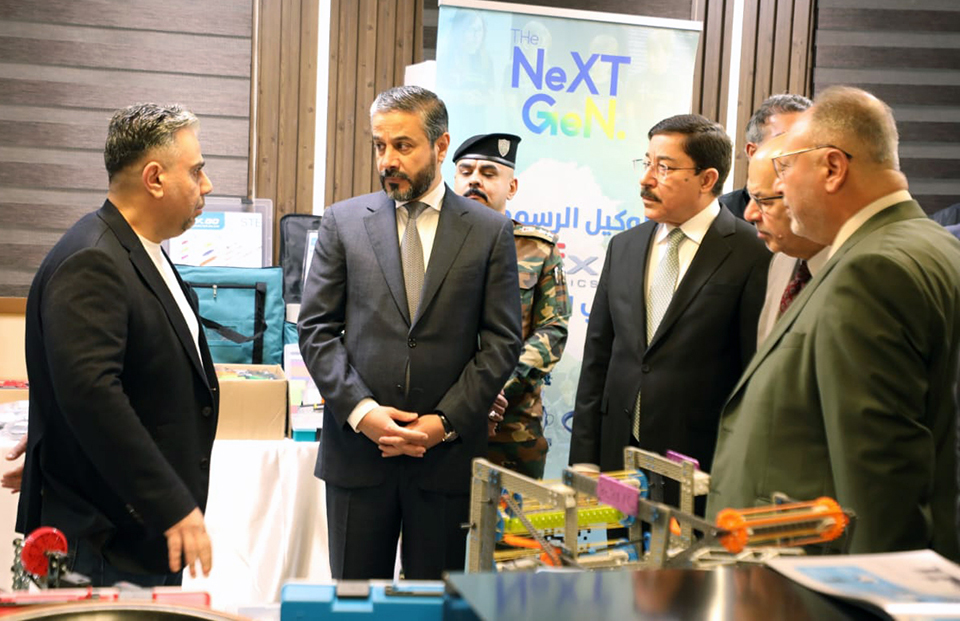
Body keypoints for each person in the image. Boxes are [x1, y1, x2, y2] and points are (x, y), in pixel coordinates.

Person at [707, 87, 960, 560]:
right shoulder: (934, 246)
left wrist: (872, 591)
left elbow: (881, 481)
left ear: (832, 168)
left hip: (821, 573)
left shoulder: (870, 270)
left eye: (785, 170)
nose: (780, 189)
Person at [298, 86, 522, 580]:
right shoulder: (343, 222)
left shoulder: (488, 231)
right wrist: (363, 412)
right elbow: (315, 330)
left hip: (445, 459)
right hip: (358, 454)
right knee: (355, 603)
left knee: (434, 604)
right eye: (380, 146)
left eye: (403, 145)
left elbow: (502, 342)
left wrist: (444, 422)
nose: (388, 160)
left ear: (441, 146)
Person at [18, 103, 218, 585]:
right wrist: (172, 504)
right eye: (196, 171)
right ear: (155, 179)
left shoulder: (140, 250)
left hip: (138, 535)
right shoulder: (94, 260)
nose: (207, 185)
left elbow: (94, 380)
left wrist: (55, 436)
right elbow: (92, 396)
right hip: (104, 544)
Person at [568, 114, 770, 504]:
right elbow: (598, 359)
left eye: (664, 168)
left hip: (700, 467)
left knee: (683, 548)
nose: (646, 179)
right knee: (619, 543)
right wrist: (585, 460)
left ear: (707, 179)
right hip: (618, 459)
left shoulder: (752, 253)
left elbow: (753, 374)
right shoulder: (624, 246)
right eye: (646, 163)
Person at [452, 133, 570, 479]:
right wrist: (467, 397)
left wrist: (495, 387)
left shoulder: (539, 249)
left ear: (512, 186)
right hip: (440, 418)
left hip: (512, 426)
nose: (475, 180)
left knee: (513, 515)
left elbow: (553, 330)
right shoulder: (430, 246)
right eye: (466, 172)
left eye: (489, 173)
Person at [743, 134, 828, 344]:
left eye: (764, 201)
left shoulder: (861, 271)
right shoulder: (782, 260)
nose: (749, 214)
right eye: (751, 198)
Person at [720, 94, 812, 219]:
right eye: (783, 141)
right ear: (753, 152)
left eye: (806, 142)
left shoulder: (824, 214)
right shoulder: (721, 214)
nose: (798, 152)